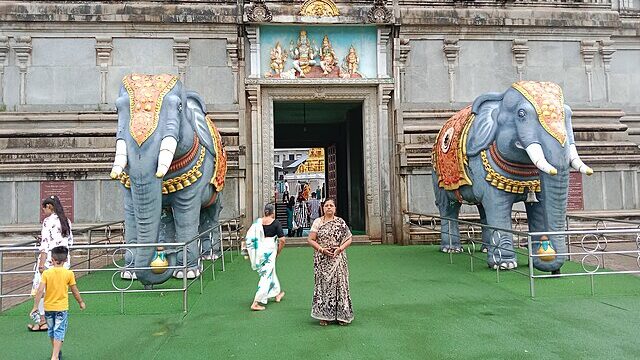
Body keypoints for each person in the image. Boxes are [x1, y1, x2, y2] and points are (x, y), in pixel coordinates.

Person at [30, 246, 85, 360]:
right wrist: (80, 302)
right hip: (61, 307)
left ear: (52, 259)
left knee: (51, 329)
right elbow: (74, 290)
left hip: (48, 307)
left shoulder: (46, 273)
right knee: (59, 330)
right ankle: (55, 355)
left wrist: (35, 306)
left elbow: (40, 290)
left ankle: (56, 351)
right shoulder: (69, 274)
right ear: (65, 260)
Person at [28, 195, 73, 332]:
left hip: (49, 260)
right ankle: (58, 320)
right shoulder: (66, 221)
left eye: (44, 209)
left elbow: (45, 245)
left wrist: (41, 264)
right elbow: (70, 242)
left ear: (49, 207)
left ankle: (43, 321)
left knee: (40, 290)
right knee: (58, 292)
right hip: (63, 261)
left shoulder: (48, 221)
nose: (44, 212)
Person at [306, 199, 354, 326]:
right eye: (326, 205)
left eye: (331, 205)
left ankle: (341, 315)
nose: (329, 208)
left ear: (335, 208)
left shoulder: (340, 222)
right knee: (323, 286)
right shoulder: (318, 222)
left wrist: (340, 249)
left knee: (340, 285)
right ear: (322, 208)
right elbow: (310, 239)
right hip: (322, 259)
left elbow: (349, 239)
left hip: (338, 258)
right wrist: (321, 249)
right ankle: (324, 315)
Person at [245, 203, 286, 311]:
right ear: (273, 212)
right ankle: (256, 301)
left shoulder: (257, 222)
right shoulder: (276, 223)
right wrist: (278, 251)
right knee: (266, 275)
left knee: (270, 271)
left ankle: (277, 293)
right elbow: (282, 240)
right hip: (270, 249)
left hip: (260, 249)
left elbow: (249, 236)